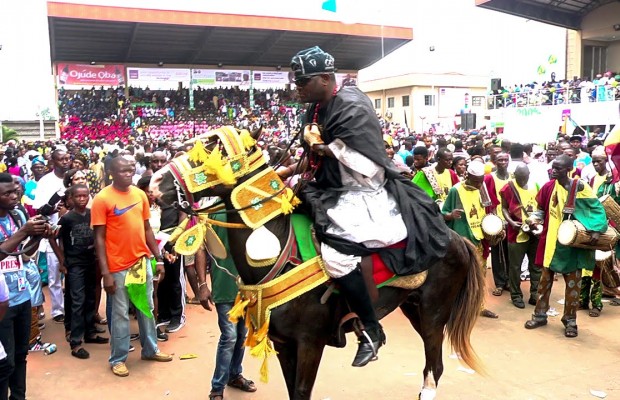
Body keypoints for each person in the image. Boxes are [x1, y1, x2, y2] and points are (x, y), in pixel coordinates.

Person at [283, 46, 450, 367]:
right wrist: (289, 171)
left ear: (324, 79)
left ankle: (370, 329)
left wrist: (323, 146)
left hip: (365, 190)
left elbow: (368, 164)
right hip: (328, 187)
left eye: (303, 81)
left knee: (337, 255)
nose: (298, 88)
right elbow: (311, 155)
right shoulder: (315, 107)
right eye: (297, 82)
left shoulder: (353, 108)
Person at [92, 157, 172, 377]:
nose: (128, 174)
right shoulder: (102, 199)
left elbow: (147, 229)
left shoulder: (139, 195)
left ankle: (151, 349)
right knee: (120, 314)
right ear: (111, 172)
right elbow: (99, 238)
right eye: (122, 171)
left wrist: (158, 258)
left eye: (130, 170)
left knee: (146, 307)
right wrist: (105, 272)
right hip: (117, 267)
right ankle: (118, 358)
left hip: (141, 263)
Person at [524, 155, 608, 338]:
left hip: (572, 245)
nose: (554, 171)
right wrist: (533, 220)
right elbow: (540, 210)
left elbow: (596, 208)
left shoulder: (580, 187)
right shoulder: (548, 187)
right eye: (553, 167)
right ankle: (539, 315)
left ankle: (570, 321)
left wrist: (595, 229)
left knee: (573, 286)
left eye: (559, 168)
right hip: (551, 243)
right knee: (543, 283)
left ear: (569, 169)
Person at [0, 172, 53, 400]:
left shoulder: (18, 215)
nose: (15, 195)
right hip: (2, 303)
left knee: (21, 355)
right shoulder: (19, 223)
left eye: (15, 190)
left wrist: (39, 236)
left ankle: (19, 397)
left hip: (22, 296)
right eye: (7, 193)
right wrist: (24, 232)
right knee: (5, 362)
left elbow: (24, 254)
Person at [196, 213, 257, 400]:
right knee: (229, 337)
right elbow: (201, 249)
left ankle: (234, 375)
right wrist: (202, 285)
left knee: (241, 335)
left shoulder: (249, 211)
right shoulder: (211, 213)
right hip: (224, 285)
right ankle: (217, 387)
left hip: (248, 286)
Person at [52, 184, 108, 359]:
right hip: (74, 263)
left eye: (85, 196)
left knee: (91, 295)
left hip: (91, 260)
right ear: (72, 199)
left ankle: (90, 332)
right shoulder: (67, 219)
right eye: (78, 197)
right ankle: (75, 342)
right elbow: (54, 238)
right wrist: (62, 261)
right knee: (77, 299)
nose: (82, 199)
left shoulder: (92, 214)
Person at [441, 161, 499, 319]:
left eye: (481, 180)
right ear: (468, 176)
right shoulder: (455, 190)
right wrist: (450, 215)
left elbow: (489, 208)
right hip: (461, 239)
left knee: (479, 274)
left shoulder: (482, 188)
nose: (479, 184)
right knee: (459, 274)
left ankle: (479, 306)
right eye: (476, 181)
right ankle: (456, 307)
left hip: (479, 238)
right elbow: (443, 212)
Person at [32, 149, 71, 324]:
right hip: (52, 233)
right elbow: (39, 209)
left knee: (74, 273)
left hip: (74, 233)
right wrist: (52, 206)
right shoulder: (45, 182)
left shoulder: (73, 177)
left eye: (67, 158)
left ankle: (73, 307)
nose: (65, 162)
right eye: (61, 159)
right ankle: (58, 310)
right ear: (53, 162)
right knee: (55, 274)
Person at [499, 164, 542, 308]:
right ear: (514, 175)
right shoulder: (508, 188)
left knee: (536, 265)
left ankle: (535, 294)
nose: (522, 180)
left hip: (534, 232)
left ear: (529, 174)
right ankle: (516, 295)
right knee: (515, 266)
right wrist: (511, 222)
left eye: (525, 177)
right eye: (520, 177)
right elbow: (504, 207)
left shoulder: (535, 186)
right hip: (516, 233)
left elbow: (540, 207)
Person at [579, 147, 609, 317]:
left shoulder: (612, 181)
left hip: (604, 228)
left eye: (599, 161)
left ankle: (596, 304)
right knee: (585, 267)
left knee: (598, 267)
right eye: (594, 161)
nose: (596, 164)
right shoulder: (592, 179)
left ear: (606, 161)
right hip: (591, 226)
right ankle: (582, 301)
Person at [483, 152, 510, 296]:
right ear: (495, 162)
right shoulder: (489, 178)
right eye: (500, 160)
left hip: (511, 220)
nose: (503, 162)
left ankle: (509, 282)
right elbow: (486, 199)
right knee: (497, 253)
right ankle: (499, 283)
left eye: (506, 159)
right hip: (496, 221)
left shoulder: (512, 177)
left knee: (510, 253)